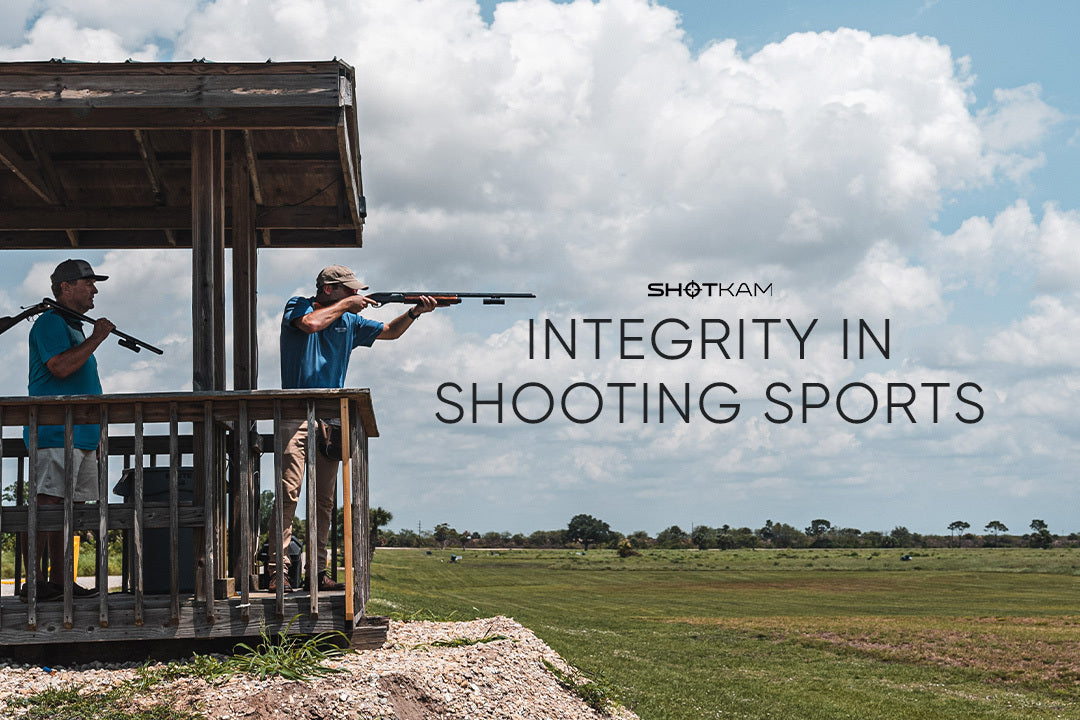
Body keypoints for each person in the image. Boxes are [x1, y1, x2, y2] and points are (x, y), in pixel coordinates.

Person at [273, 265, 436, 592]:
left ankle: (317, 573)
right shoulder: (299, 305)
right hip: (294, 413)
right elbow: (310, 325)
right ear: (329, 289)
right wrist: (348, 305)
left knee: (323, 502)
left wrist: (415, 313)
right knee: (289, 493)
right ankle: (281, 571)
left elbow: (389, 331)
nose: (356, 295)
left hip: (332, 417)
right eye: (349, 291)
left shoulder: (349, 319)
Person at [21, 259, 115, 601]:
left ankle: (61, 582)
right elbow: (59, 367)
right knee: (47, 506)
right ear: (65, 287)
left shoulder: (72, 325)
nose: (94, 289)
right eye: (87, 282)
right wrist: (97, 338)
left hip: (81, 435)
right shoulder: (49, 323)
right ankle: (33, 581)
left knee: (71, 512)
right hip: (55, 434)